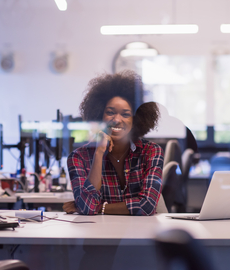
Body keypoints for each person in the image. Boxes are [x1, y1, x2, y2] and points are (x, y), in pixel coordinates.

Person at [63, 70, 163, 215]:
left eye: (125, 114)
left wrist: (100, 208)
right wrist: (98, 153)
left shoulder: (151, 152)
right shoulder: (79, 158)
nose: (117, 119)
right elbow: (87, 207)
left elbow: (147, 206)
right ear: (99, 115)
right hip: (99, 233)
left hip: (141, 233)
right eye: (110, 112)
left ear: (135, 119)